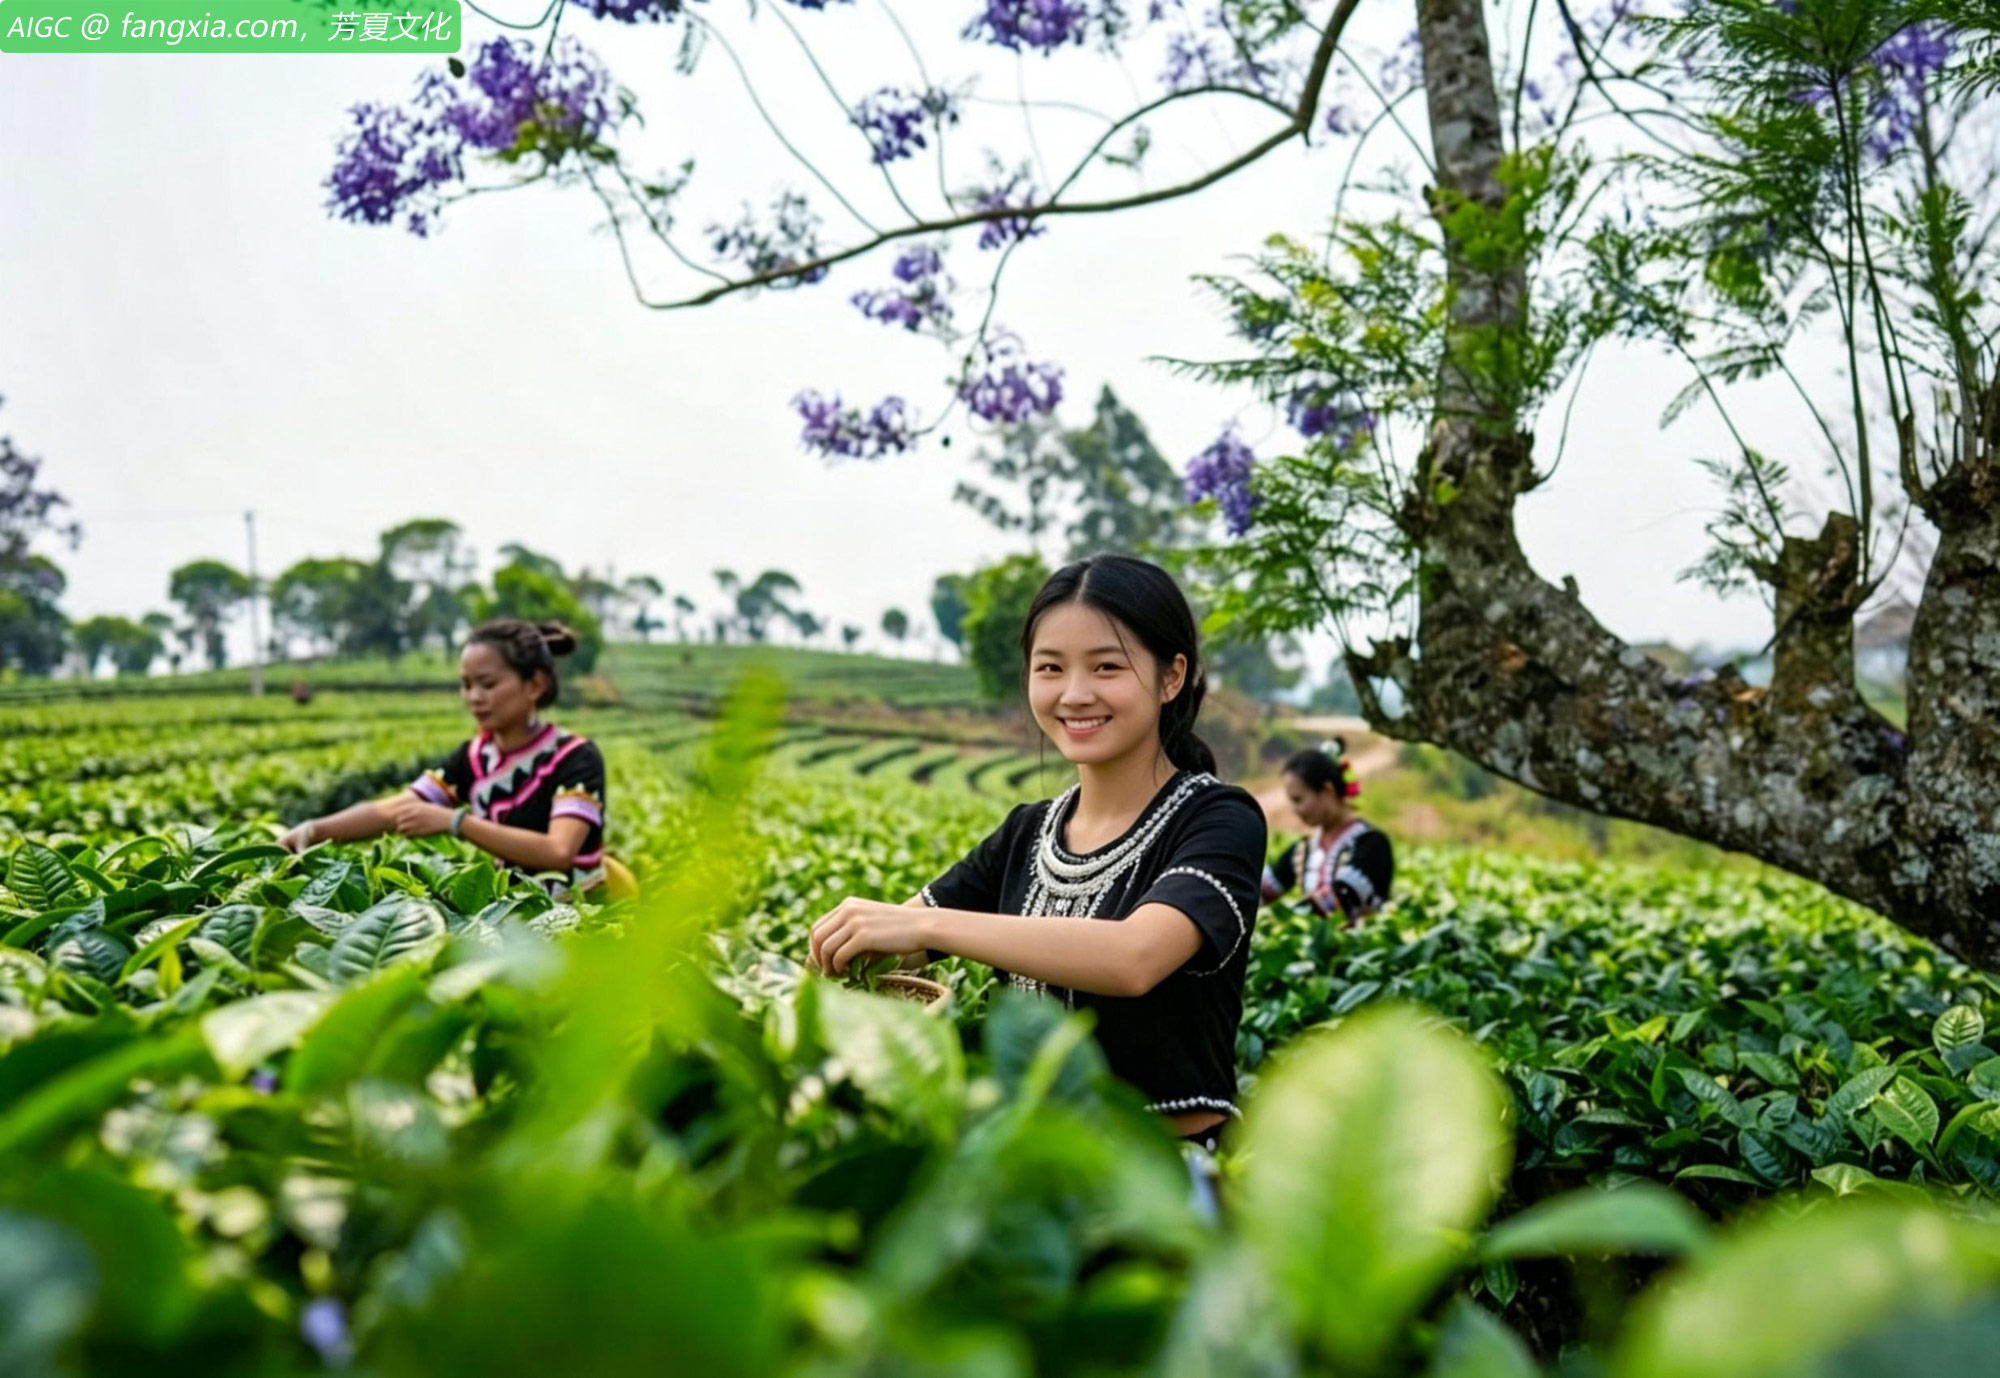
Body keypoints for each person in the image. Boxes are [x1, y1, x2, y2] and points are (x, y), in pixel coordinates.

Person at [808, 554, 1267, 1153]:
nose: (1074, 694)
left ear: (1170, 677)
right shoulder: (1027, 832)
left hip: (1161, 1181)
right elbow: (903, 947)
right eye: (1050, 668)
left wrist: (927, 923)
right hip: (1025, 1171)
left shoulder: (1219, 819)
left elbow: (1137, 955)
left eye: (1106, 667)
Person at [278, 619, 611, 896]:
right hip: (513, 909)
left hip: (581, 915)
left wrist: (456, 823)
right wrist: (310, 832)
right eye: (466, 685)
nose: (474, 697)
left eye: (487, 684)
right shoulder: (473, 757)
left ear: (534, 685)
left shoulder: (575, 757)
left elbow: (558, 852)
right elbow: (394, 809)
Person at [1261, 740, 1394, 924]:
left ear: (1327, 791)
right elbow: (1263, 888)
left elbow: (1341, 896)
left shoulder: (1372, 844)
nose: (1295, 809)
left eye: (1298, 800)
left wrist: (1286, 919)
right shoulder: (1304, 849)